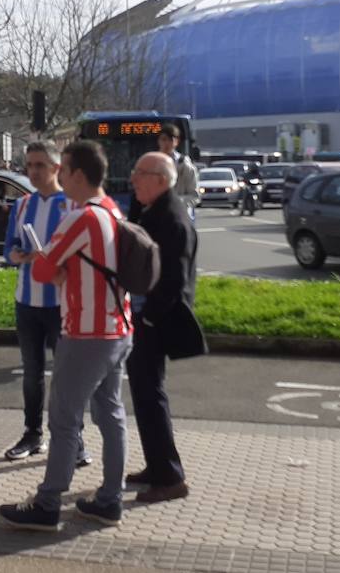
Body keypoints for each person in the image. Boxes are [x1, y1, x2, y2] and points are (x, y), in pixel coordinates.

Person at [0, 140, 132, 531]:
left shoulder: (79, 217)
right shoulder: (111, 210)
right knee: (111, 414)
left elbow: (42, 270)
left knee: (63, 418)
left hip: (85, 331)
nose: (48, 174)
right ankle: (110, 499)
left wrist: (49, 265)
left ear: (74, 174)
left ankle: (48, 503)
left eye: (60, 167)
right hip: (117, 326)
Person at [1, 141, 91, 465]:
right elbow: (8, 247)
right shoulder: (22, 205)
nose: (33, 171)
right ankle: (32, 434)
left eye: (40, 165)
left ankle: (74, 439)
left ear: (56, 169)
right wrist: (17, 255)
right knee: (32, 373)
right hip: (27, 302)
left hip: (62, 306)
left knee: (67, 376)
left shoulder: (71, 205)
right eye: (29, 165)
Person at [126, 151, 204, 504]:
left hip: (155, 320)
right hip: (147, 317)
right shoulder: (153, 210)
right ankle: (157, 467)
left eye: (139, 173)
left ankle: (170, 476)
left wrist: (149, 318)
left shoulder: (171, 217)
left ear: (159, 179)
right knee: (145, 394)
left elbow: (173, 280)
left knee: (150, 395)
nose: (132, 179)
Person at [157, 123, 198, 215]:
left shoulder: (185, 165)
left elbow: (194, 196)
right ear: (158, 141)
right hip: (158, 215)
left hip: (180, 215)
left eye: (171, 140)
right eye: (163, 139)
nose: (166, 143)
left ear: (176, 141)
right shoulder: (152, 162)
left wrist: (175, 201)